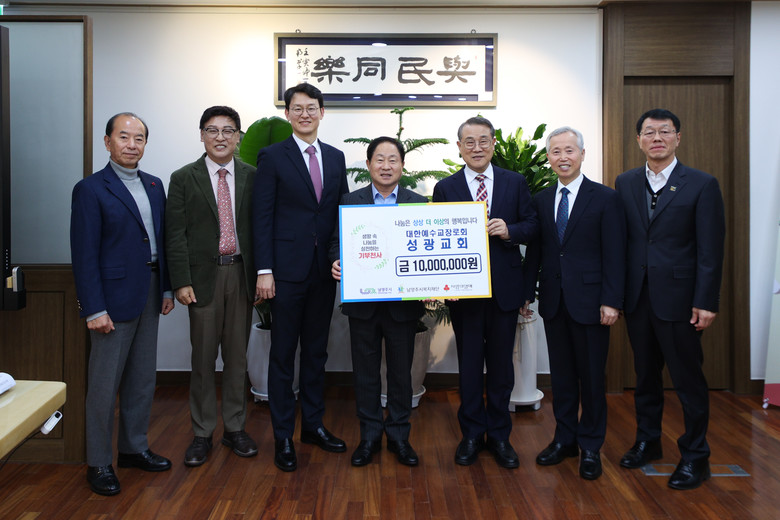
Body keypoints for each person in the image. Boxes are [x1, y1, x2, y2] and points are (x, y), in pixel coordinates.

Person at [615, 108, 725, 490]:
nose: (657, 138)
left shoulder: (701, 184)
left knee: (688, 380)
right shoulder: (625, 182)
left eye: (665, 131)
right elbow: (624, 241)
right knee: (645, 376)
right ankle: (648, 441)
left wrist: (706, 300)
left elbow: (711, 250)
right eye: (649, 132)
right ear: (639, 140)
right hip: (638, 298)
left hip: (680, 300)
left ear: (678, 137)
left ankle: (696, 456)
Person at [70, 113, 174, 496]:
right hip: (111, 299)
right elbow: (84, 254)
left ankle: (133, 448)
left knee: (142, 378)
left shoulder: (154, 185)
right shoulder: (90, 189)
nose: (132, 144)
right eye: (124, 137)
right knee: (104, 384)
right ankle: (98, 461)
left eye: (139, 138)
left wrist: (166, 289)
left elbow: (161, 241)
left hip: (150, 289)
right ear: (107, 141)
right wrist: (93, 308)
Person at [252, 83, 349, 471]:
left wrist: (340, 258)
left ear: (322, 112)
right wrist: (264, 270)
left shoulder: (336, 157)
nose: (305, 114)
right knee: (282, 355)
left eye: (312, 108)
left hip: (323, 273)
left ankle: (313, 426)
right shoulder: (273, 156)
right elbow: (262, 216)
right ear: (288, 114)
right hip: (285, 273)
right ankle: (282, 436)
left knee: (316, 353)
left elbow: (341, 215)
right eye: (297, 108)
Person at [432, 116, 538, 469]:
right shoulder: (445, 188)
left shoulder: (514, 182)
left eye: (483, 141)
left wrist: (510, 230)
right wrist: (442, 285)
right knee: (469, 366)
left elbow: (532, 226)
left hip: (505, 289)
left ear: (493, 144)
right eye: (469, 142)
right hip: (464, 293)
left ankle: (500, 436)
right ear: (459, 147)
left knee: (501, 368)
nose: (476, 148)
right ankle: (472, 434)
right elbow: (438, 240)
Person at [522, 127, 626, 480]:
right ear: (548, 157)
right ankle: (564, 439)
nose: (562, 157)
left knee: (592, 379)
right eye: (556, 151)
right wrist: (527, 293)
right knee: (562, 378)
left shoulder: (605, 198)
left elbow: (615, 253)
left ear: (582, 154)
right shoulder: (541, 199)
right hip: (554, 302)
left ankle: (591, 446)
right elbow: (536, 251)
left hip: (593, 303)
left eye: (569, 150)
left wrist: (611, 300)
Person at [166, 106, 258, 467]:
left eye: (228, 130)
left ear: (238, 137)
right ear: (202, 135)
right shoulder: (183, 178)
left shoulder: (252, 176)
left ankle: (235, 428)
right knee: (203, 360)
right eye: (212, 130)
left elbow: (261, 228)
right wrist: (181, 281)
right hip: (202, 279)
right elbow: (175, 234)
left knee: (237, 358)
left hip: (241, 274)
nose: (220, 137)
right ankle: (202, 433)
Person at [329, 136, 428, 467]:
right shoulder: (350, 201)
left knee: (401, 374)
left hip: (402, 306)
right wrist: (336, 260)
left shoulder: (417, 203)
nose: (386, 166)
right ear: (369, 164)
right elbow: (335, 241)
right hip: (363, 305)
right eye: (380, 160)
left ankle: (399, 437)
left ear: (402, 165)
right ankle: (369, 436)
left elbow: (424, 248)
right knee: (365, 374)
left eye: (393, 160)